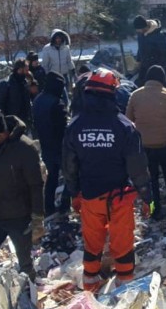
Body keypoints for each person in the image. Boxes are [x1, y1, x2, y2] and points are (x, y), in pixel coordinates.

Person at [63, 69, 151, 292]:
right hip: (119, 197)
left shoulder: (75, 126)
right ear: (113, 92)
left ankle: (90, 287)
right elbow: (137, 168)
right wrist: (146, 197)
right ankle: (125, 291)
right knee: (122, 244)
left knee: (92, 244)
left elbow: (69, 166)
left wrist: (74, 193)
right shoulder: (125, 127)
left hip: (90, 196)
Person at [0, 109, 44, 290]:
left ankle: (30, 301)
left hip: (19, 217)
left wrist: (37, 219)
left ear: (0, 133)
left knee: (25, 264)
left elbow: (36, 186)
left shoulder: (25, 149)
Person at [126, 65, 166, 220]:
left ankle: (154, 208)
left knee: (152, 176)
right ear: (162, 79)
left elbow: (128, 122)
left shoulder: (135, 95)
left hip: (145, 144)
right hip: (165, 142)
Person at [32, 71, 70, 218]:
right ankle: (65, 205)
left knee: (52, 177)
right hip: (60, 146)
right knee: (69, 176)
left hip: (46, 144)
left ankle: (48, 206)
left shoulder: (38, 100)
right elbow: (64, 128)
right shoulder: (56, 103)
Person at [0, 58, 33, 129]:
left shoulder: (25, 82)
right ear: (20, 69)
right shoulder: (6, 84)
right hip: (12, 122)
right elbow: (0, 104)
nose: (28, 70)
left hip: (25, 120)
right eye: (26, 68)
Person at [134, 15, 166, 83]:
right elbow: (140, 48)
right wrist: (138, 61)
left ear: (143, 27)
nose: (137, 31)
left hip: (155, 68)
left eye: (138, 29)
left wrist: (159, 67)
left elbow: (165, 54)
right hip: (144, 66)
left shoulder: (158, 36)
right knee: (139, 83)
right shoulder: (140, 34)